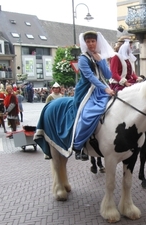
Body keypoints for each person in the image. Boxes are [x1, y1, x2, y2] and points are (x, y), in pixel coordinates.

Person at [34, 31, 115, 160]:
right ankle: (78, 145)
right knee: (87, 114)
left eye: (93, 41)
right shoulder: (83, 59)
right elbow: (90, 77)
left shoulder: (99, 56)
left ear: (97, 42)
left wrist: (101, 62)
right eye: (88, 42)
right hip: (87, 91)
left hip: (101, 90)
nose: (91, 44)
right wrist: (105, 88)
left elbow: (108, 75)